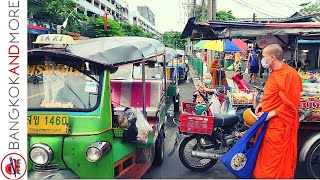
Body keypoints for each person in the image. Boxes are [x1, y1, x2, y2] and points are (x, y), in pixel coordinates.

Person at [254, 44, 303, 178]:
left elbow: (291, 105)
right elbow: (272, 95)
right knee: (265, 158)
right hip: (268, 125)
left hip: (280, 126)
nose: (262, 60)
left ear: (272, 57)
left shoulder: (291, 75)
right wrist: (262, 104)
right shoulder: (275, 73)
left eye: (263, 57)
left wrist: (271, 114)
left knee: (275, 161)